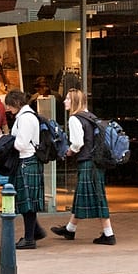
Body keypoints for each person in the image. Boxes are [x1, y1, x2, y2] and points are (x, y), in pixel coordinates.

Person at [50, 88, 115, 245]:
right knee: (83, 197)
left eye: (67, 99)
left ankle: (109, 234)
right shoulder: (91, 116)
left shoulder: (74, 119)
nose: (64, 101)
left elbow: (78, 143)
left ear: (75, 102)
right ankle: (70, 229)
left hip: (87, 162)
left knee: (98, 199)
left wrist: (69, 152)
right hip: (95, 162)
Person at [5, 88, 48, 249]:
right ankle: (35, 231)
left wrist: (8, 140)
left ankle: (29, 238)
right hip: (27, 162)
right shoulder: (25, 116)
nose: (8, 109)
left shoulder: (25, 119)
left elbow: (21, 144)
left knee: (27, 202)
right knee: (27, 200)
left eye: (9, 105)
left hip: (26, 161)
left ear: (16, 103)